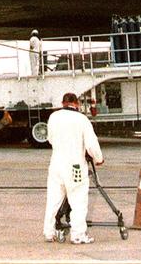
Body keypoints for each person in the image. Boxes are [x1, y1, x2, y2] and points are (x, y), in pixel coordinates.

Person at [42, 92, 104, 246]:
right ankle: (78, 235)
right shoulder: (82, 119)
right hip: (75, 167)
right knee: (78, 200)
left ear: (63, 103)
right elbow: (91, 144)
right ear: (76, 104)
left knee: (53, 200)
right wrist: (99, 159)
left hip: (56, 165)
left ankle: (49, 232)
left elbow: (50, 139)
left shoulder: (53, 117)